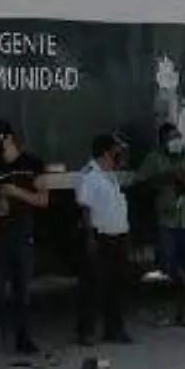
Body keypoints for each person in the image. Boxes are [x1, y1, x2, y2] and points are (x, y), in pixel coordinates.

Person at [0, 121, 47, 355]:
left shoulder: (31, 164)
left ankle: (24, 339)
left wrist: (17, 192)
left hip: (22, 234)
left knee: (22, 290)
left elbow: (43, 199)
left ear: (8, 137)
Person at [135, 122, 185, 326]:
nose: (175, 141)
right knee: (169, 263)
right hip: (168, 219)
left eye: (177, 136)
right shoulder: (154, 159)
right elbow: (143, 183)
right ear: (163, 142)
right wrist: (167, 178)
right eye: (171, 138)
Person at [74, 134, 132, 346]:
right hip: (100, 237)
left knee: (116, 285)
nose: (120, 154)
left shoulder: (110, 174)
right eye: (116, 150)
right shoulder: (89, 175)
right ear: (106, 152)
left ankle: (114, 329)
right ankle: (86, 331)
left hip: (119, 235)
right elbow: (85, 210)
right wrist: (90, 239)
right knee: (93, 286)